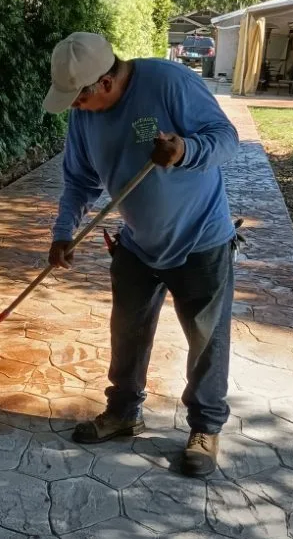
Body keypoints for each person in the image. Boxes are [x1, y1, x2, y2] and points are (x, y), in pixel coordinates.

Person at [44, 32, 239, 476]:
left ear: (105, 83)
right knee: (126, 332)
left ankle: (205, 428)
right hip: (137, 242)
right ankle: (124, 412)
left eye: (79, 98)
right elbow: (79, 181)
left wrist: (185, 150)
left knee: (207, 341)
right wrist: (63, 232)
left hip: (201, 239)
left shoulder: (169, 82)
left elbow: (226, 138)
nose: (76, 107)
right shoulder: (84, 116)